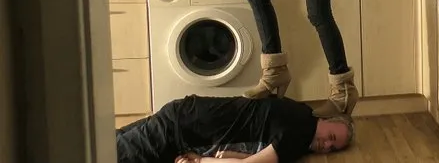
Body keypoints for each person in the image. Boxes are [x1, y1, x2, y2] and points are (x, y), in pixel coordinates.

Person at [116, 94, 354, 163]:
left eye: (333, 147)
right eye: (331, 136)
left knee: (103, 144)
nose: (327, 145)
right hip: (182, 132)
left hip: (183, 112)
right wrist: (200, 162)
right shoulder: (300, 132)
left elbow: (252, 152)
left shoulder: (299, 111)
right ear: (325, 120)